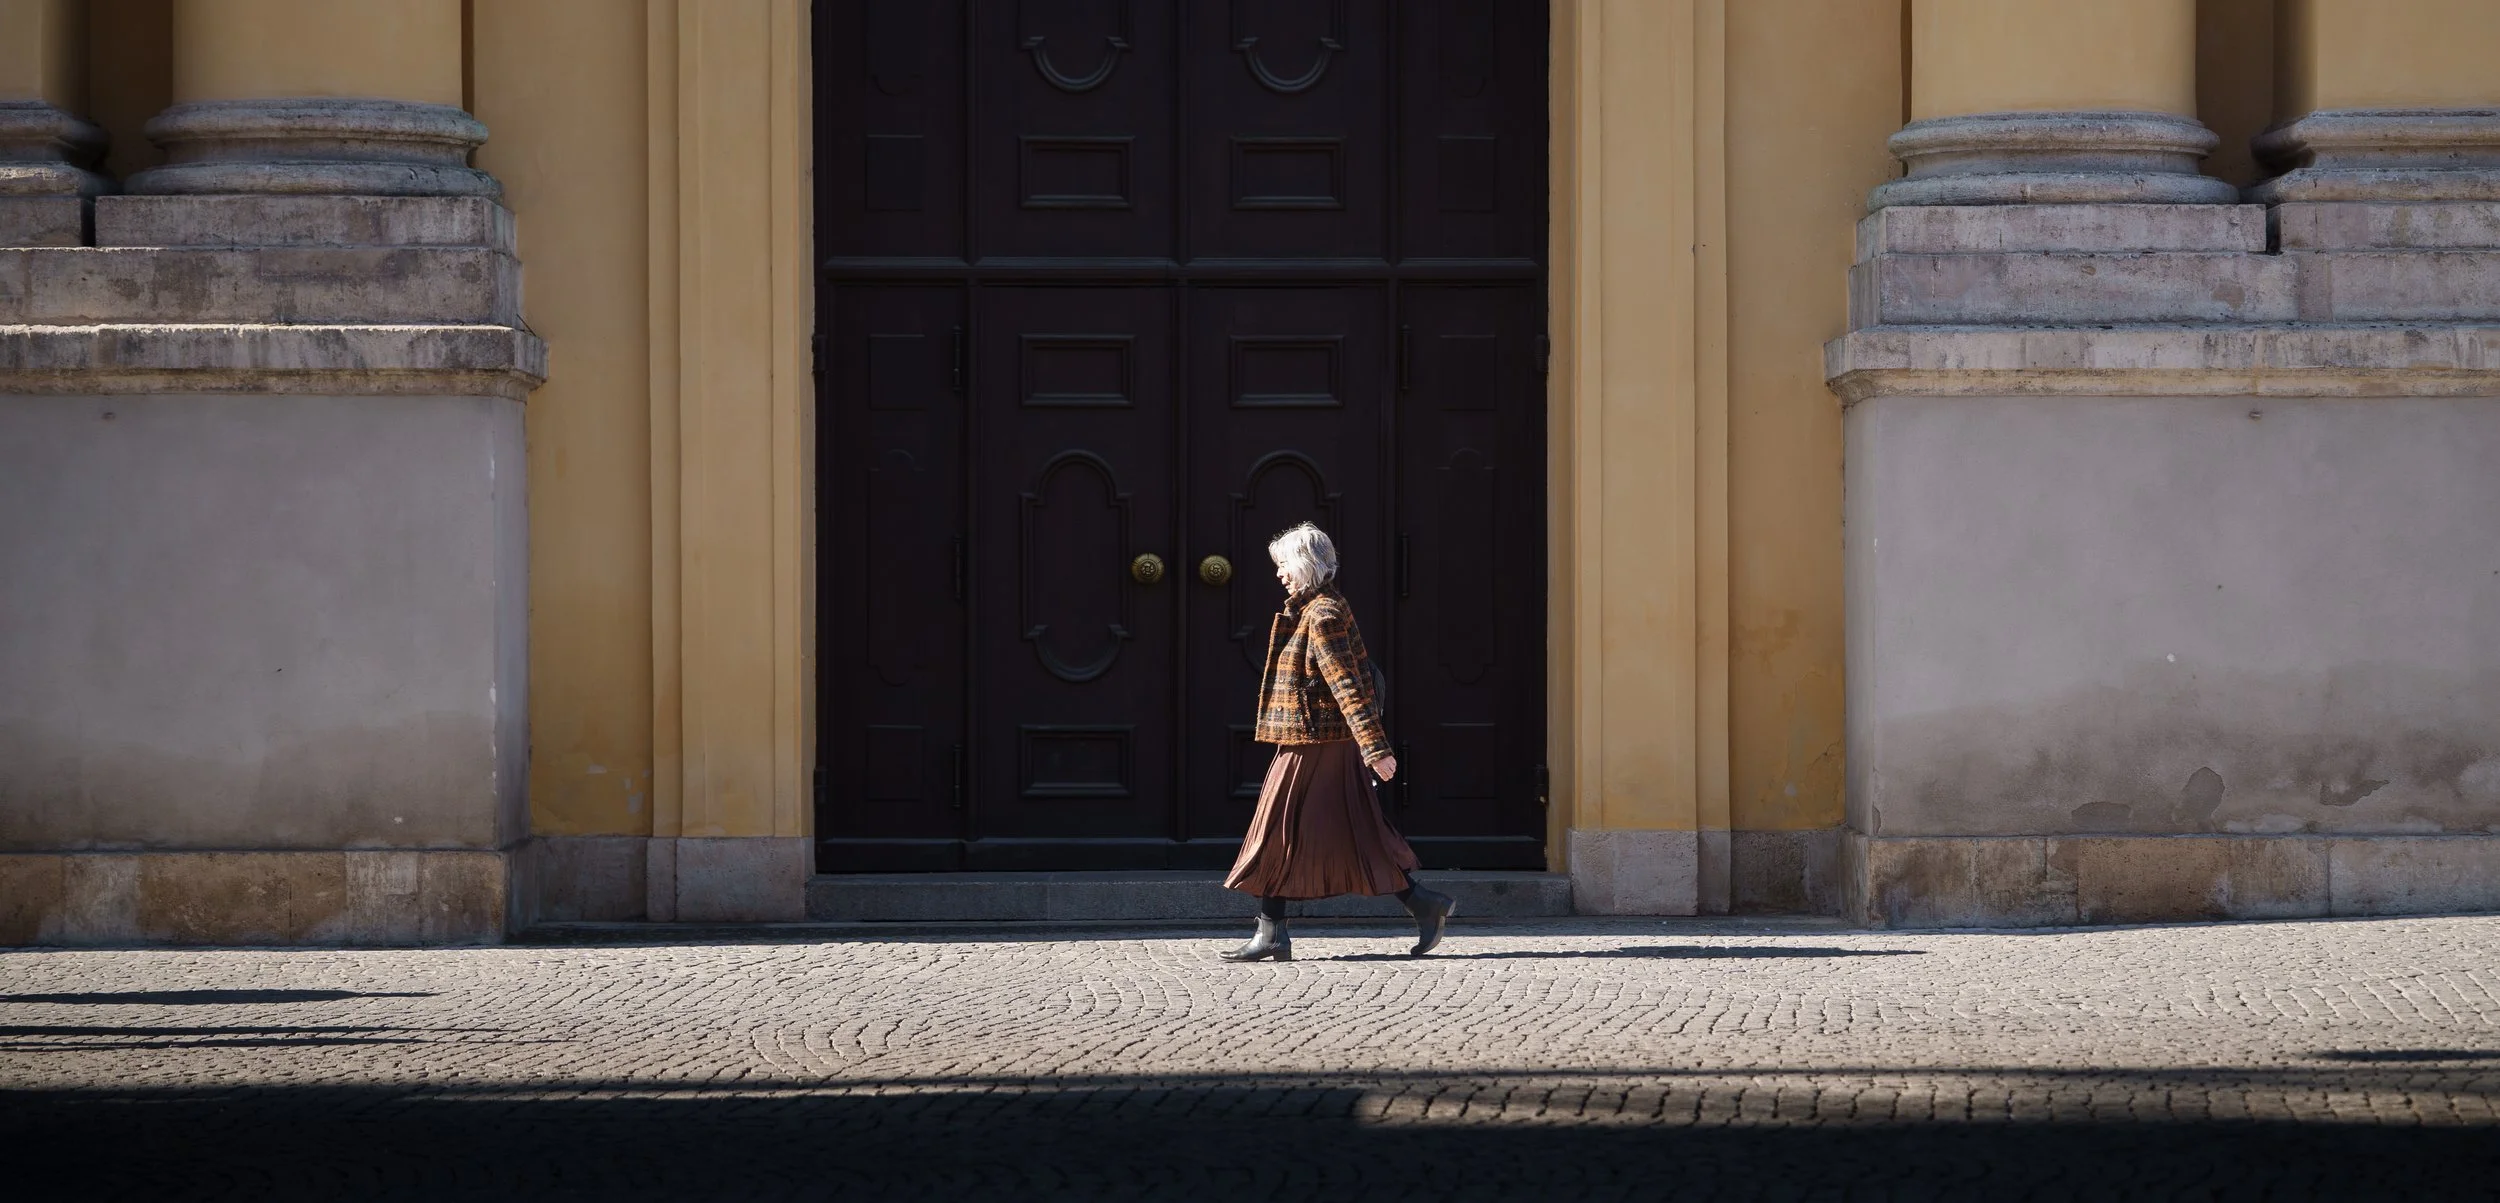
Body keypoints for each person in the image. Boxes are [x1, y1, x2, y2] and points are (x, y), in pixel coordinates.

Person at [1219, 522, 1456, 962]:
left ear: (1306, 565)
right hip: (1316, 739)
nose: (1279, 574)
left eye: (1284, 565)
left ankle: (1272, 932)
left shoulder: (1322, 615)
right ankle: (1423, 904)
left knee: (1275, 829)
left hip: (1316, 743)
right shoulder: (1314, 609)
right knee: (1354, 830)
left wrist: (1375, 748)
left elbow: (1348, 685)